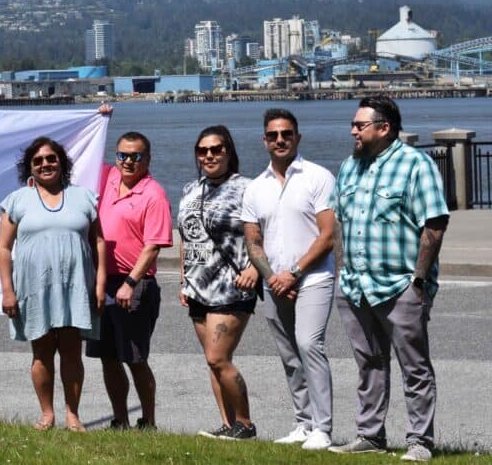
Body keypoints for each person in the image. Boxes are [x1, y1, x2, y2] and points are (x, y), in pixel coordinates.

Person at [327, 95, 449, 462]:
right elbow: (338, 221)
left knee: (415, 367)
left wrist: (418, 281)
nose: (353, 131)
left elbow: (435, 222)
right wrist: (342, 271)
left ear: (384, 128)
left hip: (400, 287)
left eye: (359, 125)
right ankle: (370, 435)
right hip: (355, 287)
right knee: (368, 364)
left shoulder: (416, 165)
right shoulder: (350, 165)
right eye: (353, 124)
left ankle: (420, 442)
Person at [0, 136, 106, 432]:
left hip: (75, 286)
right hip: (34, 288)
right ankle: (47, 414)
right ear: (30, 168)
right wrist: (8, 290)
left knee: (71, 352)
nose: (45, 164)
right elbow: (4, 249)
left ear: (62, 162)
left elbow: (98, 241)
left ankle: (73, 415)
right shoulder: (16, 200)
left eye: (51, 158)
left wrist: (100, 283)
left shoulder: (84, 197)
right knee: (41, 353)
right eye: (38, 160)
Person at [242, 108, 336, 451]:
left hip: (313, 278)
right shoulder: (254, 188)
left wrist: (294, 274)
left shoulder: (318, 177)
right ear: (264, 140)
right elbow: (253, 241)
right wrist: (273, 278)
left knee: (310, 345)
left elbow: (327, 236)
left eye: (286, 134)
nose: (279, 140)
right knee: (290, 356)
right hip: (274, 283)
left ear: (298, 137)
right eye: (273, 135)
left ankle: (323, 428)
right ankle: (303, 422)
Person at [177, 125, 259, 440]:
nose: (209, 155)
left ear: (228, 152)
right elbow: (187, 234)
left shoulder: (247, 188)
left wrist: (255, 268)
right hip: (197, 287)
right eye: (203, 150)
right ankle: (228, 426)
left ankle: (246, 424)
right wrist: (184, 276)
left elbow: (264, 234)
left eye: (216, 149)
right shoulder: (189, 189)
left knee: (218, 357)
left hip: (232, 287)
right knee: (212, 363)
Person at [86, 130, 172, 430]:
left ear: (147, 159)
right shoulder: (109, 179)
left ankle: (148, 421)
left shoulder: (154, 194)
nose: (129, 161)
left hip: (134, 284)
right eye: (123, 155)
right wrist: (101, 118)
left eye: (136, 156)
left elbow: (153, 246)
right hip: (102, 282)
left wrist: (130, 283)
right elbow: (84, 148)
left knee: (135, 358)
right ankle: (120, 418)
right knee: (107, 357)